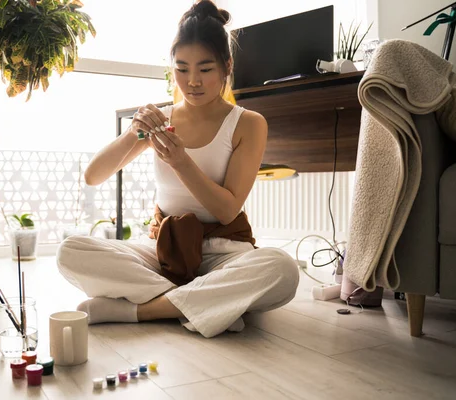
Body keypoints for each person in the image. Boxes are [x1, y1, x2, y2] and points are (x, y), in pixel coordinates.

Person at [56, 0, 299, 338]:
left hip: (223, 253)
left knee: (282, 270)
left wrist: (182, 162)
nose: (193, 81)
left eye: (205, 68)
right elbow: (93, 176)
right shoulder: (162, 120)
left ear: (227, 66)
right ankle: (209, 305)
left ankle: (142, 311)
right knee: (71, 251)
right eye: (182, 68)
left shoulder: (248, 123)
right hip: (164, 250)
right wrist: (134, 132)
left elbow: (227, 210)